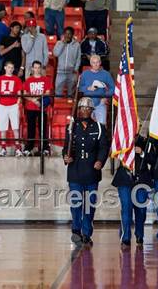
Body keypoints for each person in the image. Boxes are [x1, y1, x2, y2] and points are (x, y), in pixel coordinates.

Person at [63, 96, 109, 247]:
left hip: (92, 172)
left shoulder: (99, 128)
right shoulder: (71, 127)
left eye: (88, 109)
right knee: (76, 204)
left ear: (92, 111)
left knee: (89, 205)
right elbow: (66, 147)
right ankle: (76, 231)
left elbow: (103, 148)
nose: (85, 111)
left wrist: (100, 161)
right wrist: (66, 157)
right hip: (75, 171)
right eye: (82, 108)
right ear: (79, 110)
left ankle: (87, 234)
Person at [112, 135, 153, 247]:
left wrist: (142, 152)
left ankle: (139, 235)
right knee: (126, 208)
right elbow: (113, 152)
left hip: (142, 179)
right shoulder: (121, 137)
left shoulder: (146, 141)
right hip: (125, 178)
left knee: (141, 210)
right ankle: (126, 237)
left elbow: (153, 159)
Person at [23, 61, 52, 156]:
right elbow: (25, 94)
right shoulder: (28, 80)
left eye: (39, 67)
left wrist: (38, 99)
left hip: (41, 107)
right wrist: (33, 100)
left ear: (41, 69)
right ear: (32, 68)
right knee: (31, 128)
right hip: (31, 107)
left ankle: (44, 148)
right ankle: (29, 147)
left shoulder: (45, 80)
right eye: (35, 67)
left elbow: (47, 92)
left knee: (42, 128)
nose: (37, 69)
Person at [0, 61, 23, 157]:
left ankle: (18, 149)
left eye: (12, 67)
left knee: (15, 127)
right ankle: (3, 148)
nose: (10, 69)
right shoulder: (0, 79)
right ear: (5, 68)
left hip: (13, 105)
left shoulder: (17, 79)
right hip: (2, 106)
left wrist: (17, 103)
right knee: (3, 128)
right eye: (9, 67)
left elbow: (19, 93)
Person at [79, 55, 114, 125]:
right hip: (87, 104)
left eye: (97, 62)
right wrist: (87, 88)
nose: (95, 64)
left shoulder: (106, 74)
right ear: (90, 63)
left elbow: (112, 88)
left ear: (100, 62)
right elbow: (80, 88)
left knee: (101, 125)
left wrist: (105, 97)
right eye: (93, 62)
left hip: (100, 103)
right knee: (86, 125)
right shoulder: (85, 74)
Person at [53, 26, 81, 97]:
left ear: (72, 35)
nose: (67, 35)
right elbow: (56, 54)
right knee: (58, 92)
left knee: (70, 93)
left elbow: (78, 58)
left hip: (71, 72)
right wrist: (63, 44)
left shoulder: (77, 45)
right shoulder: (59, 43)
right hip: (60, 72)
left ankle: (69, 106)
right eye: (66, 33)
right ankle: (58, 106)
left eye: (69, 34)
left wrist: (76, 68)